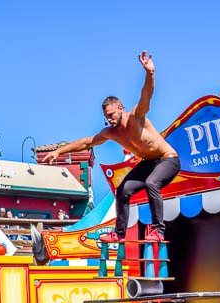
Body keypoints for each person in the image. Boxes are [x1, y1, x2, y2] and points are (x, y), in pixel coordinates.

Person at [43, 51, 180, 243]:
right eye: (106, 116)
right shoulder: (111, 132)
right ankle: (119, 233)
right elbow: (86, 142)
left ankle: (158, 229)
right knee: (123, 190)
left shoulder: (136, 117)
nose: (109, 119)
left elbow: (146, 96)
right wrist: (58, 151)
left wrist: (150, 73)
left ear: (120, 108)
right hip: (149, 163)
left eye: (112, 114)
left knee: (151, 183)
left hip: (168, 159)